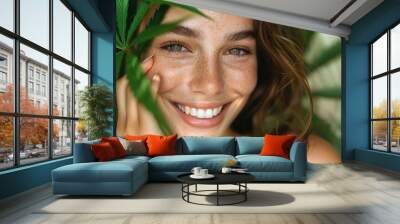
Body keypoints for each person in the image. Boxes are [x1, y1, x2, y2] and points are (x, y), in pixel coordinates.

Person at [116, 6, 340, 163]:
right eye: (176, 47)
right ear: (132, 57)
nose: (211, 85)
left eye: (237, 51)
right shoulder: (102, 167)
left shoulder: (309, 156)